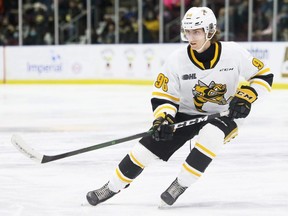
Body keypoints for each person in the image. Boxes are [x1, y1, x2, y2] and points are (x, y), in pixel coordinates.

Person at [86, 6, 273, 206]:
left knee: (211, 136)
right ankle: (111, 187)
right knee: (143, 151)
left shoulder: (233, 52)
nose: (191, 37)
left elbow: (263, 75)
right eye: (188, 31)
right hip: (185, 112)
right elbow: (164, 95)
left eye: (197, 31)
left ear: (210, 31)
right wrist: (163, 118)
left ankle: (180, 184)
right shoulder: (176, 60)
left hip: (225, 113)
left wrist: (245, 98)